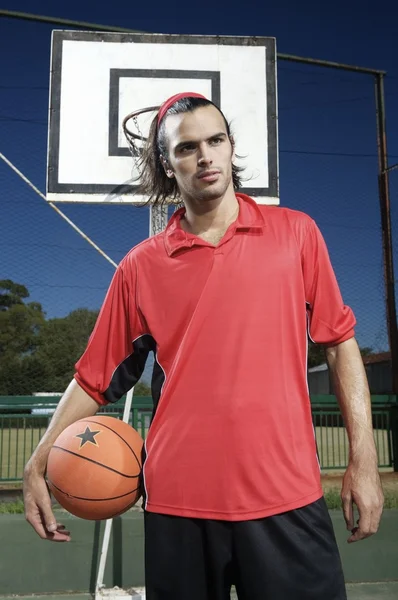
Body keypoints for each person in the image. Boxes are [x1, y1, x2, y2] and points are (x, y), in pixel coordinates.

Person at [24, 92, 384, 600]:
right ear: (168, 165)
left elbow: (340, 344)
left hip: (286, 497)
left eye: (215, 140)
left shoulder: (296, 235)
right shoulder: (140, 267)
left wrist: (363, 461)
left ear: (231, 146)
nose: (206, 156)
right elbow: (93, 378)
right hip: (178, 505)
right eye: (187, 148)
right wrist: (36, 460)